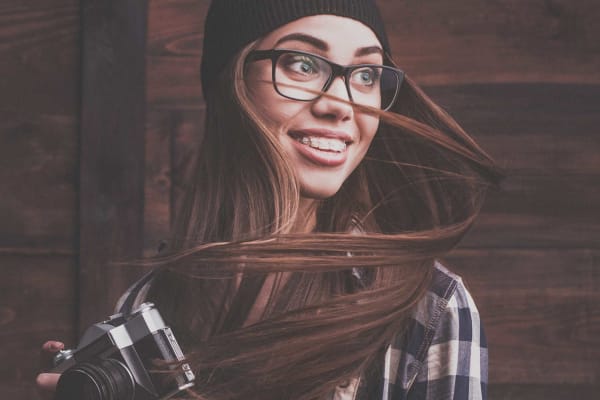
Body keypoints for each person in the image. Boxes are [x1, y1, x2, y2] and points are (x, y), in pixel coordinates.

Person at [37, 0, 502, 399]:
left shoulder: (431, 307)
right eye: (302, 64)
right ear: (233, 83)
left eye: (365, 74)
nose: (340, 103)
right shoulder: (151, 303)